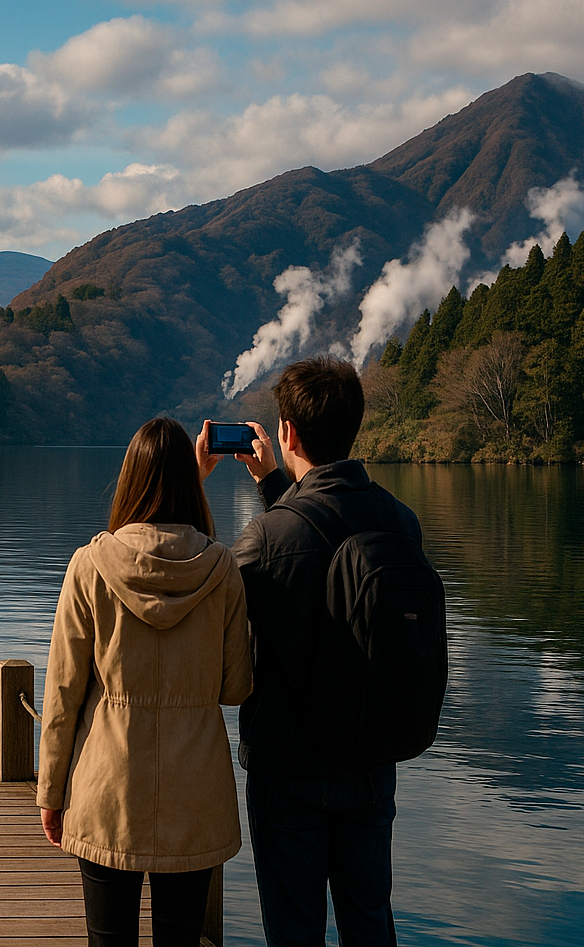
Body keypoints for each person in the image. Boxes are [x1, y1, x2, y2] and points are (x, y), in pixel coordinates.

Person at [196, 355, 425, 947]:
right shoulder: (401, 522)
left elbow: (210, 592)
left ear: (288, 433)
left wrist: (194, 486)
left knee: (294, 930)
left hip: (288, 768)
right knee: (370, 921)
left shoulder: (264, 537)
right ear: (354, 426)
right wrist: (275, 485)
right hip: (374, 759)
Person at [38, 416, 253, 947]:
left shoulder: (90, 566)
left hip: (106, 791)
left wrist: (50, 792)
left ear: (128, 480)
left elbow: (62, 694)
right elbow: (236, 686)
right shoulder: (222, 569)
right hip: (195, 795)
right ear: (189, 480)